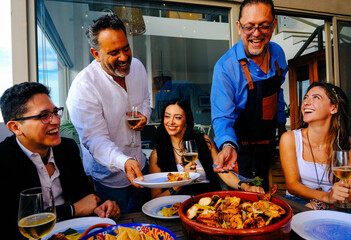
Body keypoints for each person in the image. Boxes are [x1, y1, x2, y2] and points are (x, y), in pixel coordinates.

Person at [0, 82, 120, 240]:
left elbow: (85, 196)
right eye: (44, 116)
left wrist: (100, 208)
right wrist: (72, 210)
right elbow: (14, 223)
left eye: (55, 112)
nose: (56, 121)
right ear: (16, 127)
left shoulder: (67, 149)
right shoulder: (3, 160)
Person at [66, 14, 151, 213]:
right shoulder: (83, 87)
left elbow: (146, 99)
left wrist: (145, 115)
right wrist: (124, 162)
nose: (123, 57)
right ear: (96, 54)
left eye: (126, 48)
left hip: (141, 165)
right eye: (114, 52)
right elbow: (95, 140)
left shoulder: (137, 66)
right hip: (108, 181)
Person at [211, 0, 288, 190]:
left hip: (269, 147)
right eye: (249, 27)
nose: (256, 33)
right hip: (240, 152)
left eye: (264, 26)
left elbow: (278, 97)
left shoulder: (278, 54)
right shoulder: (225, 67)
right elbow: (222, 118)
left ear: (274, 25)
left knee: (271, 203)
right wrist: (228, 146)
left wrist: (282, 133)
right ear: (239, 27)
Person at [149, 98, 264, 198]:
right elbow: (155, 198)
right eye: (167, 116)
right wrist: (180, 183)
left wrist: (246, 187)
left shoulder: (203, 140)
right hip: (176, 209)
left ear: (186, 121)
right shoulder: (157, 155)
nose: (171, 122)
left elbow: (223, 173)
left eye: (177, 117)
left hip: (210, 202)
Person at [280, 82, 351, 209]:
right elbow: (292, 185)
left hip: (337, 207)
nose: (306, 102)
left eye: (316, 97)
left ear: (333, 108)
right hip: (297, 202)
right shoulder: (289, 139)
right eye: (306, 97)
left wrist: (324, 205)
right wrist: (326, 197)